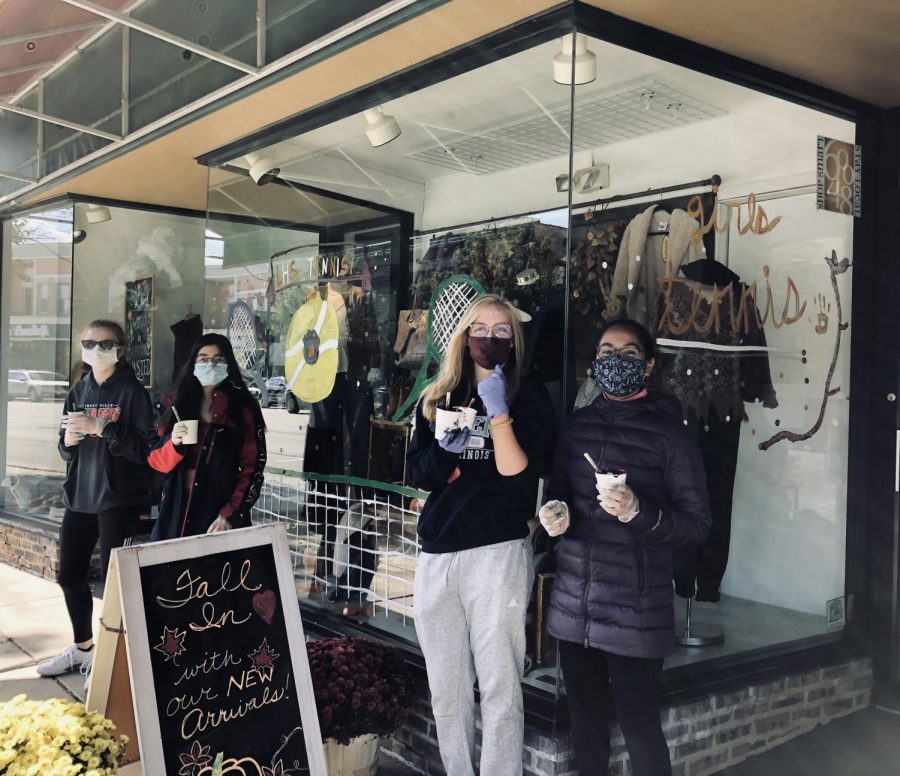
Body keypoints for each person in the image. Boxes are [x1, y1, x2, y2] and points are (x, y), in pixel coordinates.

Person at [538, 318, 711, 776]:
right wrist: (554, 513)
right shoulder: (577, 428)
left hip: (635, 610)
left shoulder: (671, 433)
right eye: (605, 352)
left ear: (649, 365)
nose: (615, 362)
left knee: (641, 732)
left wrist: (638, 511)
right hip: (575, 607)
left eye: (629, 354)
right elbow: (558, 489)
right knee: (585, 728)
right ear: (594, 362)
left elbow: (696, 525)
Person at [406, 294, 554, 776]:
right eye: (480, 329)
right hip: (438, 552)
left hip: (497, 551)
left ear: (514, 340)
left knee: (499, 684)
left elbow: (516, 473)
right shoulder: (436, 395)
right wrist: (449, 452)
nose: (490, 338)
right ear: (463, 336)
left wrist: (498, 412)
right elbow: (421, 474)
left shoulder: (527, 396)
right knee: (447, 686)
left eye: (502, 331)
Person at [37, 320, 155, 682]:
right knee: (69, 575)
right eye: (88, 343)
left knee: (111, 582)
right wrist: (68, 442)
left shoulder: (132, 392)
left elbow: (145, 449)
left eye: (104, 344)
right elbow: (64, 446)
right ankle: (83, 647)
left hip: (117, 498)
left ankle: (109, 658)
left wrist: (104, 429)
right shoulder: (79, 389)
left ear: (119, 349)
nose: (95, 349)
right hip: (80, 494)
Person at [149, 333, 266, 539]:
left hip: (218, 512)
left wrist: (230, 514)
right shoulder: (173, 403)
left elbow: (252, 468)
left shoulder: (243, 408)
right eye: (203, 359)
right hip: (175, 508)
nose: (210, 364)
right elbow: (155, 459)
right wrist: (173, 444)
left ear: (229, 364)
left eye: (218, 359)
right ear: (193, 363)